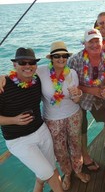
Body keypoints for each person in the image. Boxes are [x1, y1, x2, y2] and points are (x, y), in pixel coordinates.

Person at [0, 48, 63, 192]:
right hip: (19, 140)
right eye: (22, 62)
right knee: (50, 173)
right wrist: (14, 120)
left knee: (50, 168)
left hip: (41, 130)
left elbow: (56, 71)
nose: (28, 66)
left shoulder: (37, 81)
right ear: (15, 65)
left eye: (32, 62)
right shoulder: (3, 86)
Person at [40, 41, 90, 190]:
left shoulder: (72, 73)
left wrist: (78, 95)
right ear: (51, 58)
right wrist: (3, 77)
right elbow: (22, 74)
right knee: (60, 150)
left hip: (74, 115)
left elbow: (76, 99)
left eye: (64, 56)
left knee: (76, 145)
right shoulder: (41, 72)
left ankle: (78, 170)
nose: (61, 59)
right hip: (52, 120)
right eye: (57, 56)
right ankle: (67, 173)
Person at [68, 28, 105, 171]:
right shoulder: (74, 60)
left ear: (102, 42)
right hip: (80, 100)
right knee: (82, 128)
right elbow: (68, 85)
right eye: (91, 42)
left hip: (101, 99)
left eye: (97, 41)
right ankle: (85, 157)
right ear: (84, 44)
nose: (95, 45)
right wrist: (90, 90)